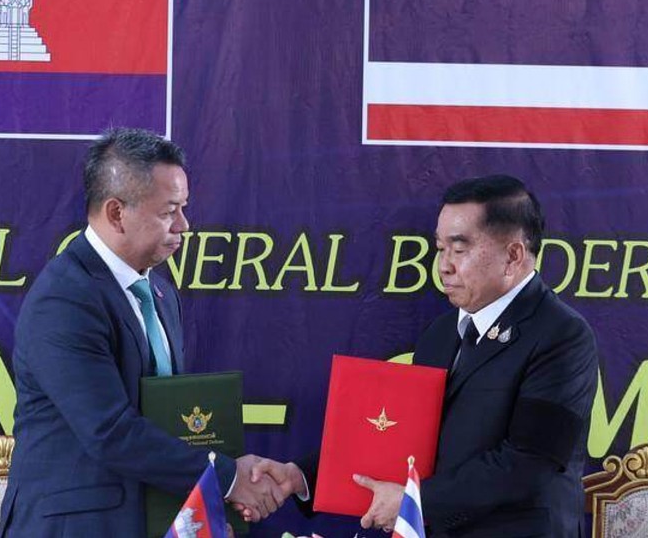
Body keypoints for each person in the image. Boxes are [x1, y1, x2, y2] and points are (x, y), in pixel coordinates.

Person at [251, 175, 599, 538]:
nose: (444, 265)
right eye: (440, 248)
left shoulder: (563, 336)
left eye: (459, 249)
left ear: (513, 256)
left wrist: (414, 501)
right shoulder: (441, 334)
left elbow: (530, 463)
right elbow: (399, 437)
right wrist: (302, 476)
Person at [0, 128, 284, 537]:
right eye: (169, 211)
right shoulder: (65, 298)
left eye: (184, 208)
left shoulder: (161, 293)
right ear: (116, 213)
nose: (184, 225)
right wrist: (227, 479)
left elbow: (167, 420)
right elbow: (110, 431)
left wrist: (210, 500)